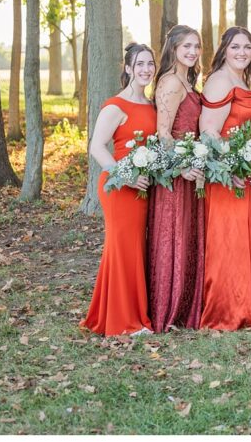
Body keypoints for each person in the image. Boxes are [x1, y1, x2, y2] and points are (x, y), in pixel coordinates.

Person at [80, 43, 157, 337]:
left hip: (143, 185)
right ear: (127, 68)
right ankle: (125, 322)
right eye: (139, 64)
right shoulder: (116, 105)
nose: (146, 69)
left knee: (131, 249)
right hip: (119, 186)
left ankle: (109, 314)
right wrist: (124, 176)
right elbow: (96, 147)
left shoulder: (150, 105)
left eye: (150, 64)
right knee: (123, 248)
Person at [199, 27, 251, 330]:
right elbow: (208, 132)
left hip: (247, 170)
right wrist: (231, 168)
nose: (242, 52)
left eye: (247, 47)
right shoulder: (219, 81)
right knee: (230, 241)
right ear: (224, 50)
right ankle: (228, 309)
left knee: (248, 239)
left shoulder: (242, 80)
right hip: (229, 176)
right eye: (235, 47)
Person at [147, 25, 205, 332]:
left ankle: (184, 308)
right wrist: (181, 166)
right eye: (186, 46)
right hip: (177, 174)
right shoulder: (171, 82)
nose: (193, 52)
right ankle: (168, 309)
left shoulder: (188, 80)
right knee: (174, 236)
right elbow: (163, 132)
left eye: (196, 46)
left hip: (191, 168)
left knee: (187, 237)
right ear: (173, 48)